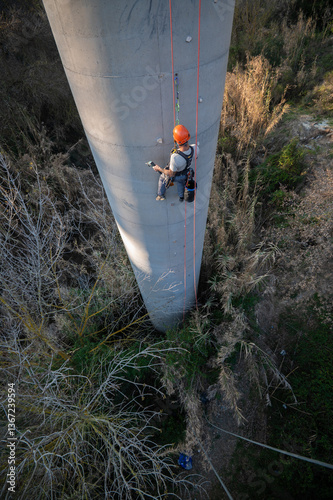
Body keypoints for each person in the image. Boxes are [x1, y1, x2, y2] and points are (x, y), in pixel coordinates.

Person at [153, 124, 199, 202]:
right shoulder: (195, 148)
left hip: (177, 175)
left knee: (162, 178)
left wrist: (159, 169)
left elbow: (171, 174)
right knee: (181, 183)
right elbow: (195, 157)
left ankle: (160, 195)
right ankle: (181, 197)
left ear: (177, 141)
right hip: (185, 174)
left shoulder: (175, 157)